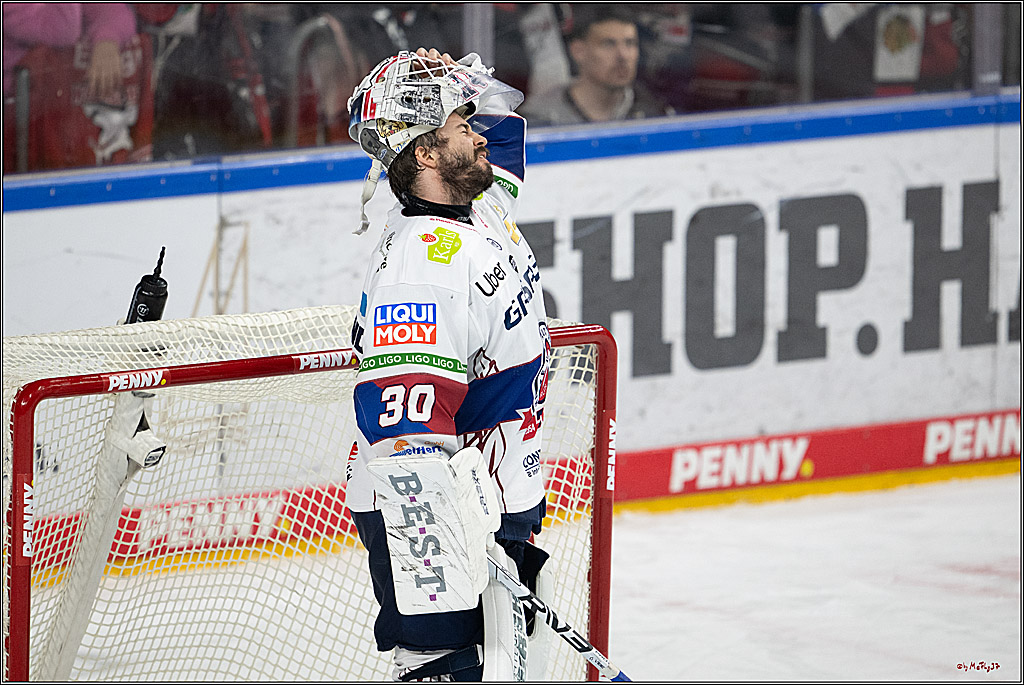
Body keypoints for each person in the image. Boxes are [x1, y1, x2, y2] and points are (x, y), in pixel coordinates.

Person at [344, 48, 553, 681]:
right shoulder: (421, 271)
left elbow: (509, 129)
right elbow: (407, 434)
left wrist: (441, 78)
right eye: (463, 125)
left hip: (500, 490)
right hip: (432, 510)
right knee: (445, 668)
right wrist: (465, 541)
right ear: (430, 155)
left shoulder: (481, 205)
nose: (481, 130)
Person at [519, 5, 672, 126]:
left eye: (630, 43)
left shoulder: (654, 113)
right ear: (578, 51)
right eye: (608, 44)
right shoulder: (538, 119)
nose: (623, 55)